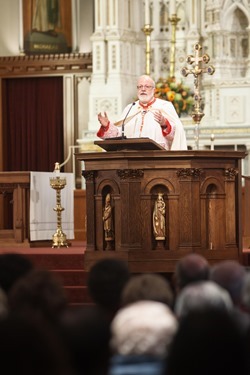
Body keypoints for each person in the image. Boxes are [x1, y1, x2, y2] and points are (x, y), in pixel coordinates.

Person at [97, 75, 187, 150]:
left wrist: (165, 124)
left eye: (147, 86)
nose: (143, 89)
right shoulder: (130, 109)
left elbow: (177, 135)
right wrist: (107, 126)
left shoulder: (164, 106)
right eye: (140, 87)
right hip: (132, 160)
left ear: (154, 90)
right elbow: (118, 136)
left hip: (158, 160)